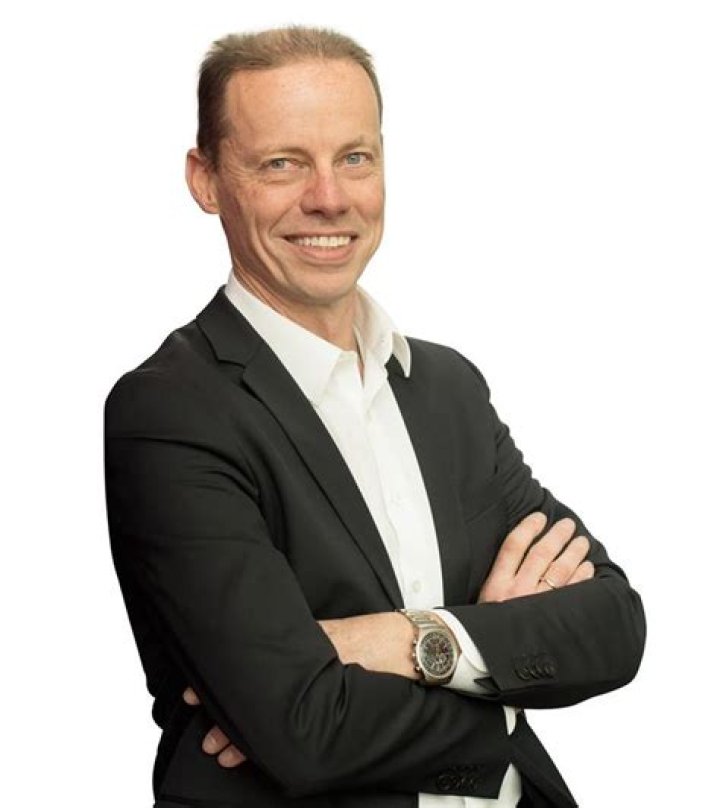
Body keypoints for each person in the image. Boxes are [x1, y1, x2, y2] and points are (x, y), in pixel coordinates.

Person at [104, 26, 646, 808]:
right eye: (283, 163)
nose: (330, 197)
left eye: (354, 157)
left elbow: (613, 624)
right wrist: (498, 669)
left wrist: (400, 640)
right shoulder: (170, 412)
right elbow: (304, 730)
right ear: (207, 179)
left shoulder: (447, 388)